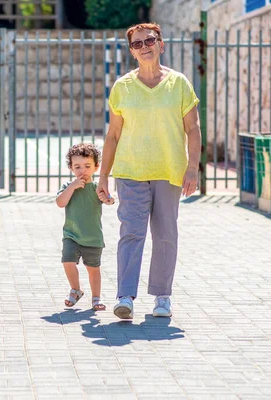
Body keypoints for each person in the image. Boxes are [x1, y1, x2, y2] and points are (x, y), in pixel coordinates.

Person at [97, 22, 202, 319]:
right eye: (138, 44)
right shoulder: (123, 87)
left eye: (149, 41)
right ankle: (125, 297)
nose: (145, 47)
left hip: (169, 170)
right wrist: (103, 176)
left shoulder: (179, 83)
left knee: (166, 234)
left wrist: (193, 167)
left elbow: (192, 128)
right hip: (130, 171)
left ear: (161, 44)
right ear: (132, 52)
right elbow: (113, 135)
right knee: (131, 232)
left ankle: (162, 297)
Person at [56, 143, 114, 312]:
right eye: (77, 167)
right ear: (71, 168)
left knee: (93, 269)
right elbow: (60, 203)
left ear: (96, 167)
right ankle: (76, 289)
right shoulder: (68, 186)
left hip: (93, 237)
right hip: (71, 235)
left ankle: (96, 299)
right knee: (67, 261)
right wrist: (72, 187)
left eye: (87, 166)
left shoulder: (96, 187)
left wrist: (107, 199)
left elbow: (109, 200)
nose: (82, 170)